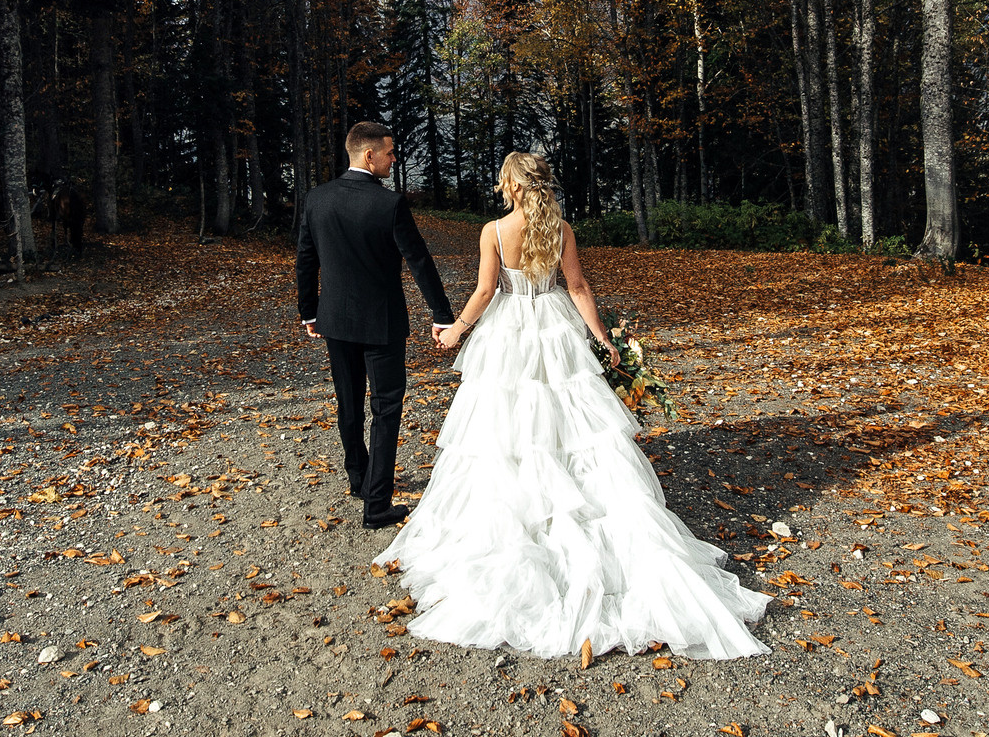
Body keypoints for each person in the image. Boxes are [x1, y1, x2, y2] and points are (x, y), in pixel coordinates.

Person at [382, 152, 770, 660]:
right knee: (571, 423)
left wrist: (457, 329)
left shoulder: (494, 231)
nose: (501, 188)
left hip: (510, 334)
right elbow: (579, 287)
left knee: (509, 425)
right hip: (556, 328)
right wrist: (602, 340)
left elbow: (484, 291)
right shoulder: (560, 228)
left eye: (503, 181)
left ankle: (530, 515)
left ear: (513, 187)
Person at [295, 121, 457, 528]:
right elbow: (419, 261)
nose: (394, 158)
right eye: (389, 152)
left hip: (335, 320)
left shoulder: (317, 198)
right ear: (369, 155)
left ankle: (359, 480)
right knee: (385, 408)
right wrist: (441, 314)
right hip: (381, 324)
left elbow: (305, 258)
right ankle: (377, 504)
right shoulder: (389, 204)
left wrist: (310, 312)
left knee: (348, 401)